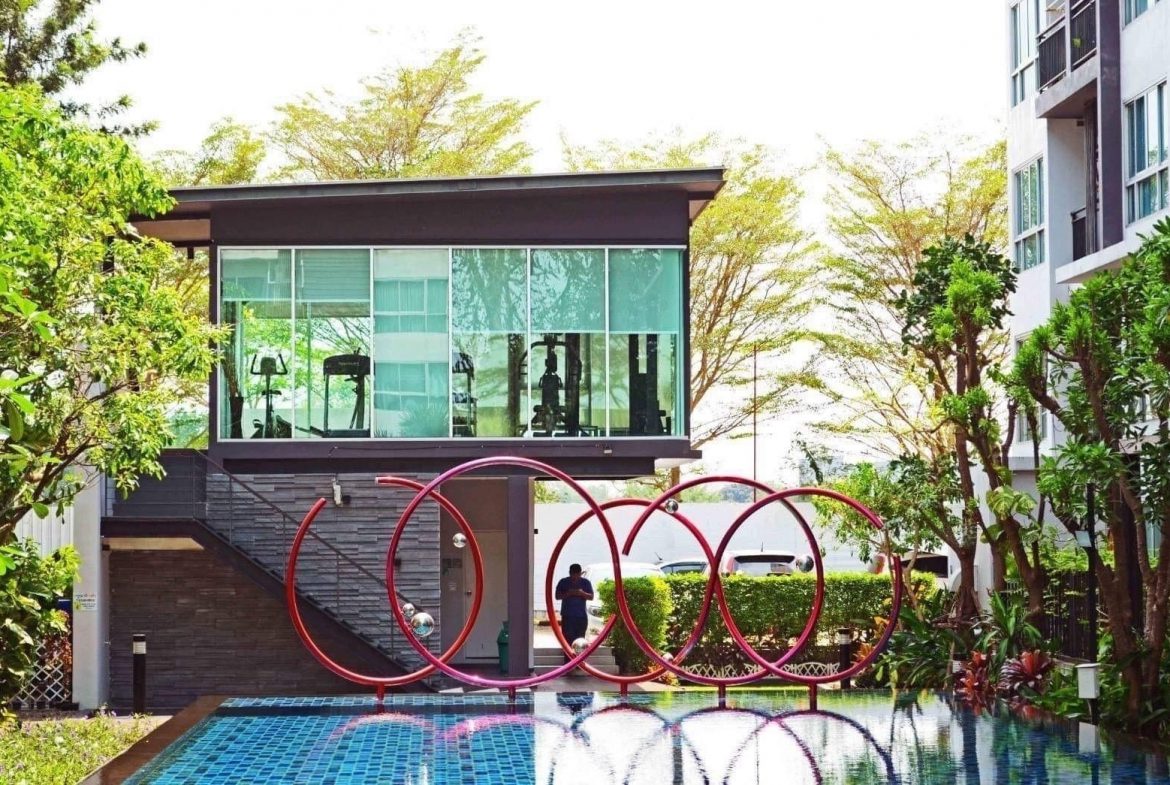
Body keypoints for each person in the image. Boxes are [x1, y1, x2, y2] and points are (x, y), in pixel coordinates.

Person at [555, 563, 594, 665]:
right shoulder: (564, 582)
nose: (575, 577)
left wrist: (581, 593)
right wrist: (569, 593)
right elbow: (557, 596)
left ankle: (579, 662)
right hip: (568, 616)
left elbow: (591, 597)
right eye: (573, 575)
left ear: (580, 573)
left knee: (580, 640)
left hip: (581, 616)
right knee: (567, 639)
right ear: (570, 573)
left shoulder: (585, 583)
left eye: (577, 575)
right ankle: (568, 663)